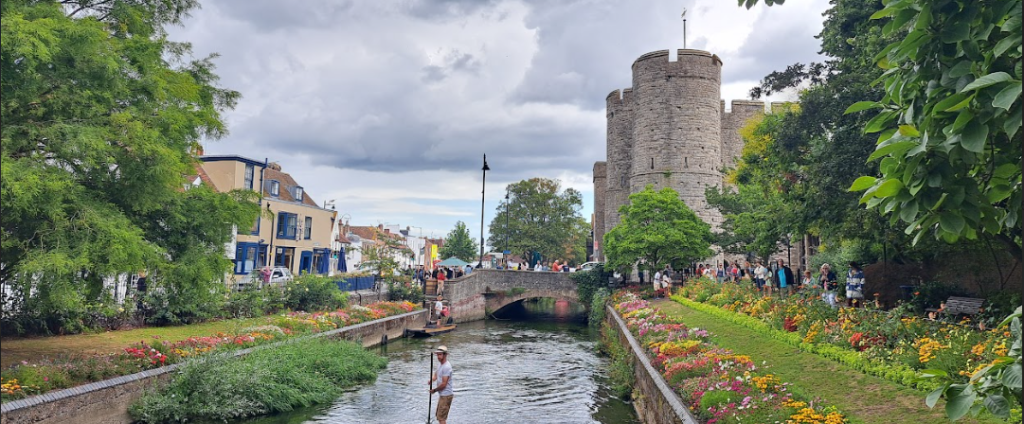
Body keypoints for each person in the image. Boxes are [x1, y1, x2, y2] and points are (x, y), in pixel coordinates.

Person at [430, 345, 454, 424]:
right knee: (439, 416)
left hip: (446, 395)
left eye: (440, 354)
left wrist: (434, 390)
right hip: (442, 395)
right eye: (437, 354)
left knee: (441, 418)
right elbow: (437, 373)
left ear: (445, 355)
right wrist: (432, 379)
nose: (438, 356)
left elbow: (444, 384)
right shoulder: (440, 364)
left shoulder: (447, 367)